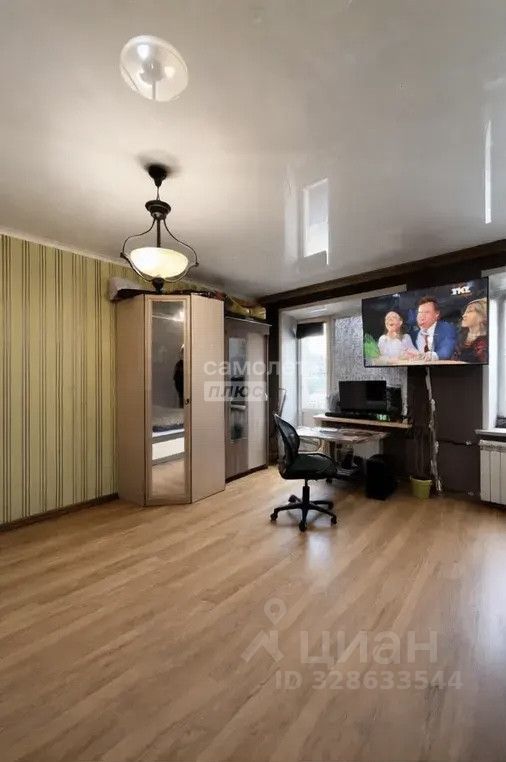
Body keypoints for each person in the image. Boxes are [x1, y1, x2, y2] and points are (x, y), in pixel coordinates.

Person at [409, 296, 456, 360]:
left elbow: (446, 351)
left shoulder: (446, 328)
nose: (422, 316)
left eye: (426, 312)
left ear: (437, 314)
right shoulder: (412, 334)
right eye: (420, 312)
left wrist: (432, 355)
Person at [453, 298, 488, 363]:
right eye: (465, 312)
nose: (464, 315)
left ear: (482, 316)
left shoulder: (486, 342)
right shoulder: (460, 337)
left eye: (469, 311)